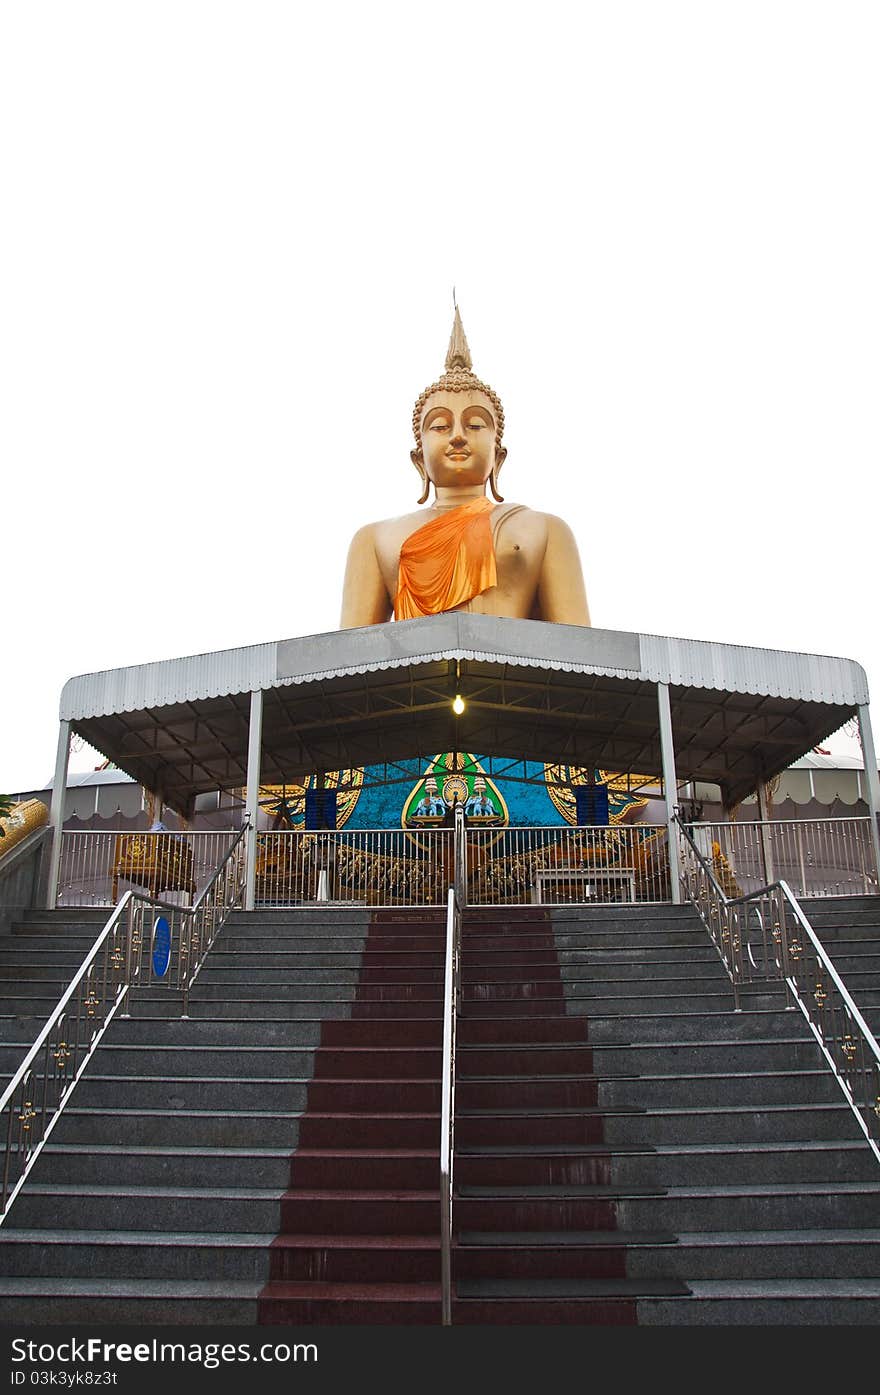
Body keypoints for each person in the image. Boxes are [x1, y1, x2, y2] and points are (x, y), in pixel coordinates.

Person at [339, 308, 591, 629]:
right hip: (413, 679)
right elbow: (353, 655)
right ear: (419, 460)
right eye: (440, 426)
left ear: (498, 457)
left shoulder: (545, 530)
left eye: (474, 424)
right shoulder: (374, 539)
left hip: (514, 679)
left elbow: (578, 645)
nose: (458, 436)